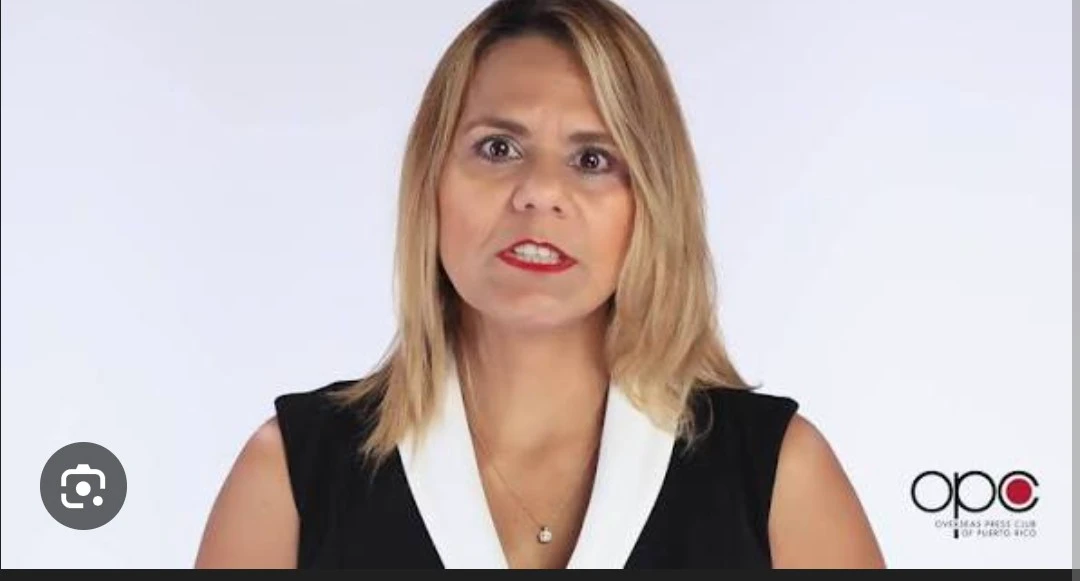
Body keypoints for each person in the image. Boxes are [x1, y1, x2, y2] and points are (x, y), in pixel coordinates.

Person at [194, 0, 885, 569]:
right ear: (430, 180)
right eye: (499, 148)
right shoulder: (290, 477)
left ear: (650, 199)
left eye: (593, 158)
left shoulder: (777, 479)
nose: (540, 193)